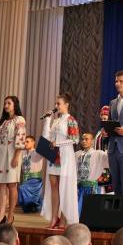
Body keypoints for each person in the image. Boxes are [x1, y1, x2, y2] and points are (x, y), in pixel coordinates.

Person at [42, 92, 80, 229]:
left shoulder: (71, 120)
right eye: (56, 103)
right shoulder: (56, 120)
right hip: (54, 156)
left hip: (65, 155)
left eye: (59, 104)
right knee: (53, 186)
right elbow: (46, 137)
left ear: (66, 105)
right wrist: (47, 120)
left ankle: (64, 219)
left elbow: (75, 140)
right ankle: (54, 218)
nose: (56, 106)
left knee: (64, 187)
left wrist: (58, 144)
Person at [0, 95, 27, 224]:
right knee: (1, 185)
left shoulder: (19, 120)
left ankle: (10, 215)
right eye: (5, 103)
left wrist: (16, 156)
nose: (6, 106)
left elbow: (21, 138)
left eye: (9, 103)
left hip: (12, 152)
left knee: (11, 184)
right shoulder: (2, 122)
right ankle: (1, 215)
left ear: (15, 105)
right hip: (1, 153)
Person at [76, 133, 110, 216]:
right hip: (80, 188)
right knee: (78, 213)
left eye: (86, 139)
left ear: (92, 141)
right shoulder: (77, 154)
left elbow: (110, 161)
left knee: (91, 213)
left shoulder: (99, 154)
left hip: (93, 188)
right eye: (82, 139)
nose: (84, 141)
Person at [18, 135, 45, 214]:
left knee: (22, 188)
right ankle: (30, 207)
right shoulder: (23, 153)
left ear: (33, 143)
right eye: (24, 142)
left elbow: (43, 152)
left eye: (27, 142)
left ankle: (34, 206)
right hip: (25, 179)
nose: (25, 144)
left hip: (35, 180)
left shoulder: (37, 152)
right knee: (22, 188)